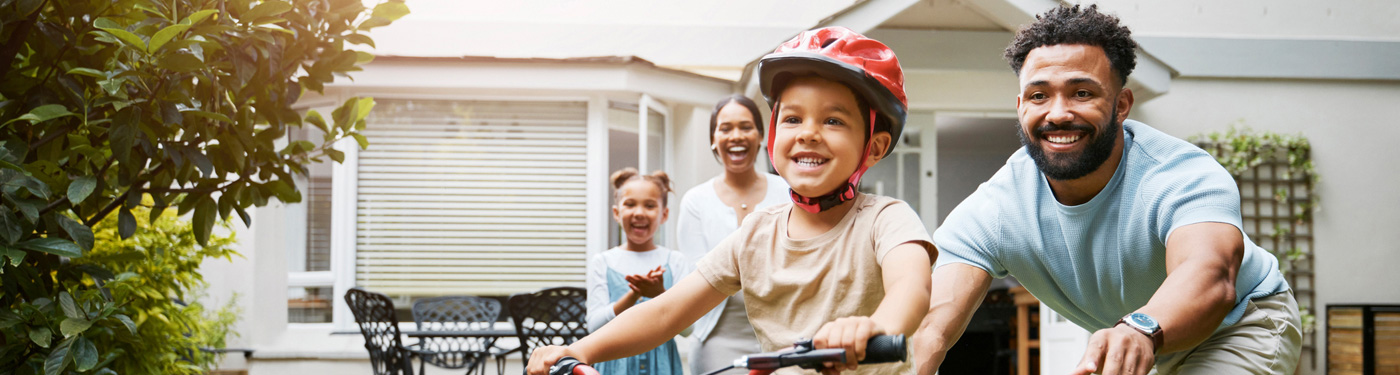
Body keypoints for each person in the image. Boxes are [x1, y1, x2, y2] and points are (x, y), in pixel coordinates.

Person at [910, 5, 1302, 375]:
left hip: (1239, 324)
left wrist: (1140, 330)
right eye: (1038, 95)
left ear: (1121, 104)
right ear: (1020, 106)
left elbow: (1209, 274)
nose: (1058, 113)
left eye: (1082, 93)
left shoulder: (1179, 175)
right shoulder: (998, 208)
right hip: (1138, 341)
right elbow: (930, 328)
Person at [528, 26, 936, 375]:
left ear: (876, 146)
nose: (808, 133)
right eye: (792, 118)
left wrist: (874, 327)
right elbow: (668, 311)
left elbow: (910, 289)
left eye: (833, 120)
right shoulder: (756, 233)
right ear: (775, 136)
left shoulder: (886, 220)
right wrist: (582, 350)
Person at [675, 94, 789, 374]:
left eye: (746, 127)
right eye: (725, 128)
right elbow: (695, 276)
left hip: (783, 336)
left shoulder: (788, 191)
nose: (736, 135)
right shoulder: (696, 200)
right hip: (716, 340)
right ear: (713, 139)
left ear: (761, 136)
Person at [585, 168, 692, 375]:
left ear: (664, 214)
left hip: (662, 366)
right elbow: (594, 327)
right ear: (617, 213)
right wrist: (634, 295)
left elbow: (688, 330)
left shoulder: (675, 261)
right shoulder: (603, 262)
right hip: (613, 363)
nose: (639, 212)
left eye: (650, 205)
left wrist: (659, 295)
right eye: (630, 204)